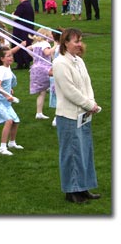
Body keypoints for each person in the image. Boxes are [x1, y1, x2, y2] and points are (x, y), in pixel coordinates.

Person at [53, 28, 101, 203]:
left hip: (83, 114)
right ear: (66, 43)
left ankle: (83, 187)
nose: (79, 44)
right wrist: (89, 104)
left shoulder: (79, 61)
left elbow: (87, 83)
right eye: (75, 41)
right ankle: (72, 190)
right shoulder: (60, 63)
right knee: (72, 152)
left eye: (80, 40)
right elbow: (69, 91)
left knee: (84, 151)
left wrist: (91, 102)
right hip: (69, 115)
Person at [0, 47, 23, 155]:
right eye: (8, 56)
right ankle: (2, 148)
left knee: (16, 121)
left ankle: (12, 143)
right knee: (9, 120)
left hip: (5, 100)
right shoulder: (0, 69)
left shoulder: (7, 67)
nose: (11, 57)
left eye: (11, 55)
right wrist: (7, 95)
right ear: (2, 58)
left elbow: (4, 83)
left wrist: (9, 89)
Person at [27, 28, 53, 120]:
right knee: (52, 86)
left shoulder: (36, 44)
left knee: (41, 93)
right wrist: (55, 47)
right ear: (46, 35)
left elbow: (27, 48)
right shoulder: (46, 44)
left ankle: (39, 113)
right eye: (50, 35)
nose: (52, 36)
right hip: (44, 69)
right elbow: (47, 52)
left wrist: (35, 57)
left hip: (35, 68)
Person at [12, 0, 35, 70]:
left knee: (19, 43)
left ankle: (20, 63)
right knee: (27, 44)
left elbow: (15, 17)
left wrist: (13, 14)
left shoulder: (22, 5)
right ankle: (26, 62)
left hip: (21, 29)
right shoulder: (29, 4)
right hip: (28, 28)